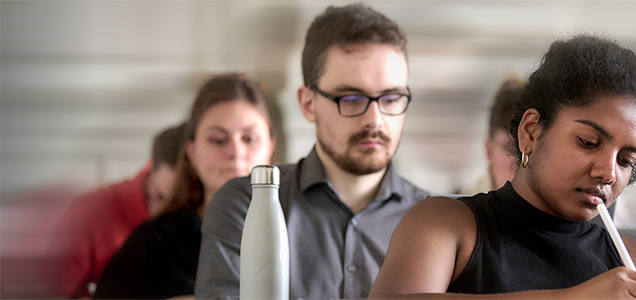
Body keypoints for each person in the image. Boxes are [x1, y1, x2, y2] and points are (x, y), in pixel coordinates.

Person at [370, 35, 636, 299]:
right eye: (588, 142)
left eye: (626, 160)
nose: (608, 173)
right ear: (531, 132)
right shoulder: (446, 225)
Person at [195, 3, 429, 299]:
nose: (375, 120)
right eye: (352, 98)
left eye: (392, 98)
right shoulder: (246, 203)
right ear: (308, 104)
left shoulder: (437, 219)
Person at [92, 74, 276, 299]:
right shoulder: (152, 243)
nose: (236, 152)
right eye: (218, 140)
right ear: (192, 152)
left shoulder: (300, 232)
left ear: (270, 148)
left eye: (249, 139)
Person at [48, 122, 185, 299]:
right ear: (151, 167)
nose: (166, 214)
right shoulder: (90, 211)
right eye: (160, 197)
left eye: (181, 205)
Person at [458, 77, 523, 195]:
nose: (521, 162)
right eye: (510, 148)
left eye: (531, 150)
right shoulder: (460, 209)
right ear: (489, 151)